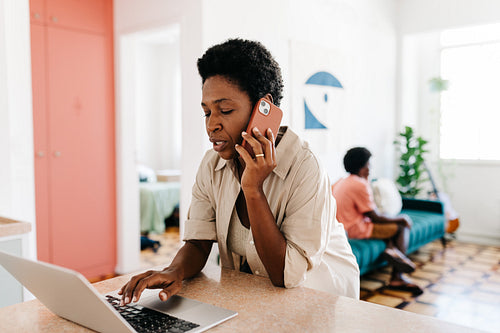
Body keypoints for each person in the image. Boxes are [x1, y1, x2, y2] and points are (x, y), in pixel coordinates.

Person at [119, 38, 360, 305]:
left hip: (322, 298)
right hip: (260, 294)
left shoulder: (305, 167)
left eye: (225, 110)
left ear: (263, 108)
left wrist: (253, 189)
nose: (211, 125)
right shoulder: (211, 165)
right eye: (207, 112)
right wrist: (173, 270)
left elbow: (285, 275)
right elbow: (199, 242)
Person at [332, 147, 423, 295]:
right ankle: (397, 276)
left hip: (345, 227)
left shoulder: (343, 181)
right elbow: (375, 217)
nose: (370, 168)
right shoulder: (359, 184)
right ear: (362, 166)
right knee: (401, 227)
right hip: (356, 229)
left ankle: (392, 251)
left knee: (389, 223)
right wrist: (402, 218)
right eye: (369, 164)